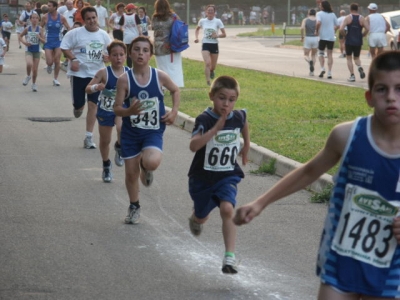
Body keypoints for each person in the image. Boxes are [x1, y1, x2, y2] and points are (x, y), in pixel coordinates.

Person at [235, 50, 400, 299]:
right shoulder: (346, 137)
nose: (391, 98)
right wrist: (260, 203)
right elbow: (309, 171)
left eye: (399, 89)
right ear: (368, 96)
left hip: (390, 269)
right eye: (381, 89)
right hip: (340, 260)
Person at [113, 36, 180, 225]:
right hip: (131, 133)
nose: (140, 53)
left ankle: (146, 167)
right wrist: (129, 111)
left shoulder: (159, 76)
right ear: (130, 53)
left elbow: (175, 90)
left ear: (150, 54)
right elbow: (117, 108)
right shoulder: (124, 80)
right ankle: (134, 206)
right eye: (136, 50)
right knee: (131, 174)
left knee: (151, 162)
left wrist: (174, 112)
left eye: (144, 50)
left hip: (152, 131)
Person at [187, 75, 249, 274]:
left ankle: (229, 257)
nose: (227, 103)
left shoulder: (237, 116)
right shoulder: (204, 119)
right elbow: (193, 145)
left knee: (227, 209)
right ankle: (197, 218)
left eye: (232, 99)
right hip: (202, 179)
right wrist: (214, 130)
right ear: (211, 96)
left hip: (227, 175)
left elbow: (244, 121)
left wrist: (246, 145)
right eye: (222, 98)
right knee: (201, 216)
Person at [61, 6, 111, 149]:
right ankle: (77, 107)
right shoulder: (75, 34)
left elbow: (109, 52)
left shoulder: (103, 35)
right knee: (79, 106)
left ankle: (88, 137)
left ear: (97, 18)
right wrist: (73, 59)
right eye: (88, 18)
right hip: (79, 75)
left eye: (93, 18)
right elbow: (64, 47)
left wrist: (107, 57)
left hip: (96, 75)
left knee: (93, 105)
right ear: (84, 20)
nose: (91, 21)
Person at [85, 40, 128, 182]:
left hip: (121, 110)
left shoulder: (129, 73)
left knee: (121, 128)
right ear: (109, 57)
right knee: (105, 141)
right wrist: (96, 87)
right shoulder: (103, 72)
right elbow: (87, 88)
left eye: (121, 55)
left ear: (126, 56)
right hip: (105, 110)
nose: (118, 58)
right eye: (115, 55)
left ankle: (120, 147)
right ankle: (106, 165)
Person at [152, 0, 184, 88]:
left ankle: (163, 86)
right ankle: (175, 85)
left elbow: (153, 27)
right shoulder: (173, 17)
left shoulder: (155, 18)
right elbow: (181, 27)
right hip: (172, 46)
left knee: (161, 68)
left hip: (158, 46)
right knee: (174, 67)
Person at [194, 4, 226, 86]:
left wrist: (217, 35)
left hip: (214, 44)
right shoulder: (202, 21)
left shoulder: (218, 21)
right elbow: (197, 29)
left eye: (212, 10)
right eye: (209, 10)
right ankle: (208, 81)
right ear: (206, 12)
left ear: (215, 12)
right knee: (207, 63)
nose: (210, 12)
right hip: (205, 44)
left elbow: (224, 34)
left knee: (213, 66)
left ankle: (212, 71)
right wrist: (196, 38)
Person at [41, 0, 70, 86]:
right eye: (48, 5)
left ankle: (55, 79)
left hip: (58, 40)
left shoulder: (61, 17)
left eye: (49, 6)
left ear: (54, 7)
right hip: (48, 41)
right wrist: (42, 37)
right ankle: (49, 65)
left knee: (57, 60)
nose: (48, 7)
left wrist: (68, 37)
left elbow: (68, 27)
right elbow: (40, 27)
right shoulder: (45, 17)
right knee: (50, 62)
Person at [339, 3, 366, 82]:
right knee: (357, 57)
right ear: (357, 9)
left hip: (349, 40)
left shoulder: (348, 17)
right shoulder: (361, 18)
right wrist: (363, 34)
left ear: (350, 9)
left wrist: (345, 35)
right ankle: (359, 67)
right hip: (358, 40)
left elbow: (341, 29)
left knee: (349, 58)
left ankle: (352, 75)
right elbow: (368, 28)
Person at [19, 13, 46, 92]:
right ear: (30, 19)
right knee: (29, 64)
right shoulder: (27, 28)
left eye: (36, 18)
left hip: (37, 51)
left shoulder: (40, 29)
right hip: (29, 49)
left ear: (38, 19)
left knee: (35, 70)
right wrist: (25, 43)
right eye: (33, 18)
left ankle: (34, 84)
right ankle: (28, 76)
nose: (34, 19)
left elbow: (44, 41)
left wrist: (39, 37)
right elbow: (20, 36)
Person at [316, 0, 338, 79]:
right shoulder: (332, 14)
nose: (319, 6)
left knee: (321, 53)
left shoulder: (319, 14)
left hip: (322, 36)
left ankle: (322, 68)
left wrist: (316, 30)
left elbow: (318, 22)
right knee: (329, 54)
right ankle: (329, 72)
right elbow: (337, 25)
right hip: (331, 37)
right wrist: (333, 30)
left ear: (323, 6)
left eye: (320, 5)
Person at [120, 3, 141, 68]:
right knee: (136, 51)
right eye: (134, 9)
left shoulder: (123, 16)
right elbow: (138, 26)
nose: (135, 10)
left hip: (126, 37)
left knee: (128, 53)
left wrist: (125, 31)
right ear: (131, 9)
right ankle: (136, 66)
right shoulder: (135, 16)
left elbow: (121, 27)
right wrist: (141, 34)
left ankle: (129, 67)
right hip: (135, 37)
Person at [300, 9, 318, 76]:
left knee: (306, 55)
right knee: (313, 55)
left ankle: (309, 61)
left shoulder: (305, 20)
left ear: (308, 13)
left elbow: (302, 28)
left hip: (308, 37)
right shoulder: (317, 20)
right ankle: (312, 71)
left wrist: (302, 37)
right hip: (315, 38)